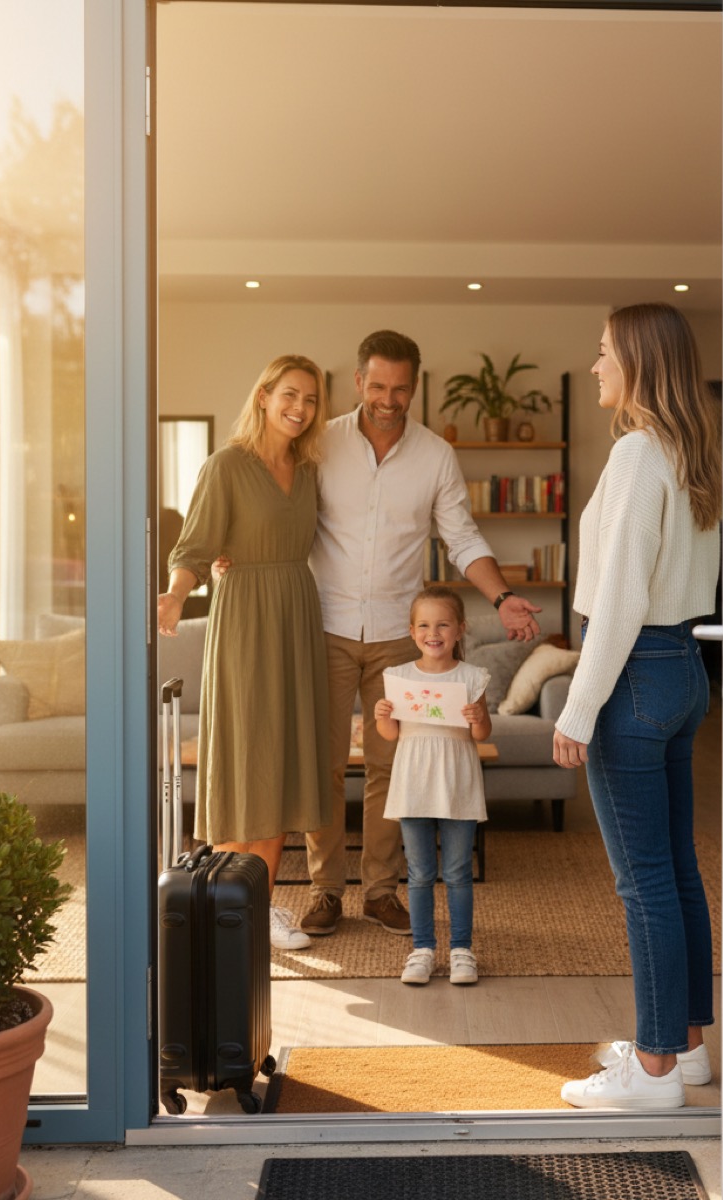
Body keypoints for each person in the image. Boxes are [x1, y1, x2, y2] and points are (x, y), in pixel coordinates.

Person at [298, 330, 540, 939]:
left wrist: (503, 597)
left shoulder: (435, 455)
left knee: (392, 765)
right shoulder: (321, 442)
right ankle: (325, 890)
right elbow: (285, 516)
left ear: (415, 388)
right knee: (323, 765)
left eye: (400, 388)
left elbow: (461, 537)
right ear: (359, 381)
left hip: (397, 637)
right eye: (377, 386)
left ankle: (381, 891)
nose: (388, 399)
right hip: (325, 625)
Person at [552, 303, 722, 1110]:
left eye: (604, 352)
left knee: (644, 880)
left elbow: (619, 598)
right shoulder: (693, 452)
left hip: (631, 672)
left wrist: (577, 708)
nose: (595, 366)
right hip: (683, 668)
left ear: (639, 363)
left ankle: (651, 1071)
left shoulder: (635, 454)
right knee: (676, 868)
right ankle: (685, 1049)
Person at [158, 354, 334, 952]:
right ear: (263, 396)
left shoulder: (308, 470)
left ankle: (256, 908)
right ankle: (225, 906)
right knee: (245, 759)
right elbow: (194, 546)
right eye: (290, 394)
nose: (300, 408)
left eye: (310, 399)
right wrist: (176, 595)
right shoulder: (227, 465)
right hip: (245, 622)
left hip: (295, 615)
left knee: (280, 763)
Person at [374, 586, 491, 986]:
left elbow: (481, 734)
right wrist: (383, 716)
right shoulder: (399, 677)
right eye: (424, 625)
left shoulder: (472, 677)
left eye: (442, 624)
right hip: (414, 784)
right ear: (412, 632)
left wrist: (478, 718)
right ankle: (422, 948)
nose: (433, 633)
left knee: (457, 872)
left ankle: (461, 949)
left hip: (457, 782)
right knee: (419, 872)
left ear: (460, 629)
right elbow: (391, 734)